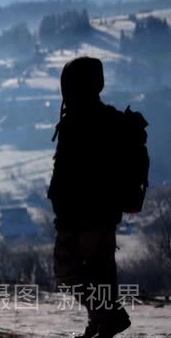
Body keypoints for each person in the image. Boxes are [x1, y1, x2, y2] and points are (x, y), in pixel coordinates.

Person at [48, 57, 133, 338]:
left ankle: (108, 317)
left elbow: (68, 173)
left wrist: (60, 203)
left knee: (68, 271)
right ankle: (100, 325)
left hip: (82, 215)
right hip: (102, 213)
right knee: (100, 273)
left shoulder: (78, 120)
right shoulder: (106, 117)